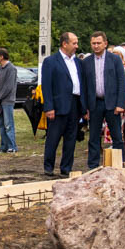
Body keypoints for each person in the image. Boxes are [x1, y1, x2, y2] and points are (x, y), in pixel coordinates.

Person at [41, 32, 85, 177]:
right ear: (64, 44)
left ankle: (66, 167)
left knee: (71, 138)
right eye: (74, 43)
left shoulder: (78, 62)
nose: (76, 46)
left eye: (77, 43)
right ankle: (48, 167)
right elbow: (46, 86)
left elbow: (81, 84)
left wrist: (83, 107)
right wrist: (49, 107)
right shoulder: (51, 61)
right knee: (53, 137)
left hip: (75, 104)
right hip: (58, 105)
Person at [81, 31, 125, 168]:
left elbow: (122, 82)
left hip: (112, 103)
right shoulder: (86, 62)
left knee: (117, 136)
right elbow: (83, 86)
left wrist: (120, 104)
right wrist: (85, 107)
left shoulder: (115, 59)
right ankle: (93, 165)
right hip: (94, 103)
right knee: (94, 136)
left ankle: (119, 163)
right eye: (93, 43)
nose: (96, 46)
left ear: (105, 44)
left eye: (98, 43)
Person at [0, 47, 18, 153]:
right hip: (0, 101)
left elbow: (9, 86)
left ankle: (12, 147)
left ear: (1, 57)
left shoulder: (11, 68)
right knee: (2, 125)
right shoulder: (0, 69)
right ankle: (4, 147)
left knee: (8, 124)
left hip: (7, 101)